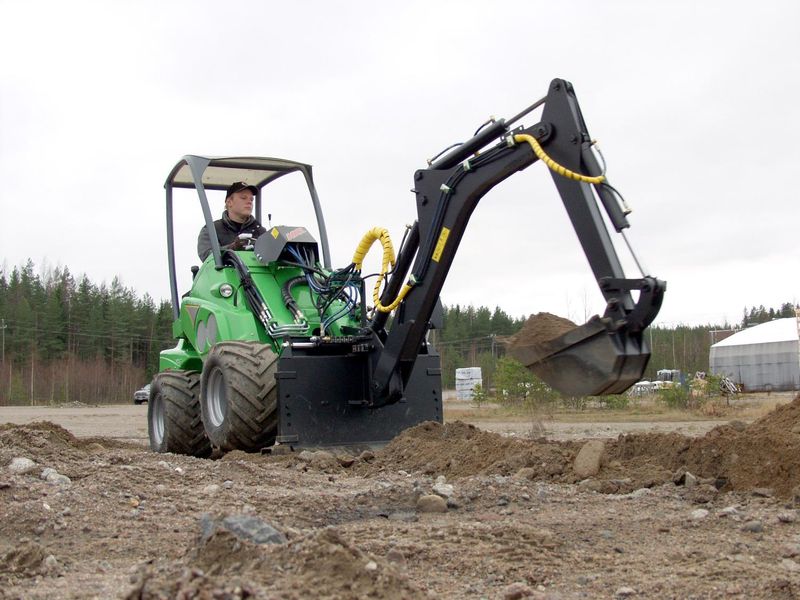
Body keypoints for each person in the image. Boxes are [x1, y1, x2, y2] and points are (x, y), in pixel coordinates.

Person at [197, 181, 267, 261]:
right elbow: (207, 256)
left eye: (251, 199)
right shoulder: (212, 230)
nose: (249, 202)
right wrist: (232, 248)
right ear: (229, 202)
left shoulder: (260, 231)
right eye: (243, 198)